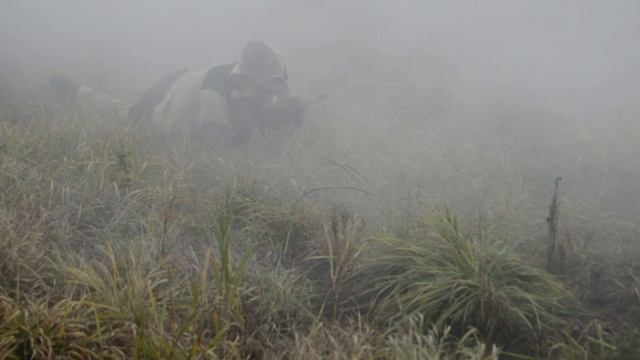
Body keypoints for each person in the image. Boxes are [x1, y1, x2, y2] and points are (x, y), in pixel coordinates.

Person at [130, 41, 305, 143]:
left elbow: (273, 125)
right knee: (126, 112)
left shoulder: (253, 80)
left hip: (187, 81)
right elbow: (219, 143)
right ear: (253, 73)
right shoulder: (214, 93)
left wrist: (288, 98)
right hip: (163, 104)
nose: (273, 82)